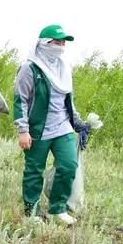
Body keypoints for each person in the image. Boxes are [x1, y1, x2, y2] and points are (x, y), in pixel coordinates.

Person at [13, 24, 90, 226]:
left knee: (68, 165)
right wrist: (23, 130)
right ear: (45, 44)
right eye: (57, 42)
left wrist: (79, 123)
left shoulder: (64, 68)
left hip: (62, 127)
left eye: (63, 43)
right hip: (38, 128)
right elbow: (20, 100)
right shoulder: (29, 69)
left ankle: (58, 209)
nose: (61, 46)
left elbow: (68, 100)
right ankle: (32, 211)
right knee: (34, 170)